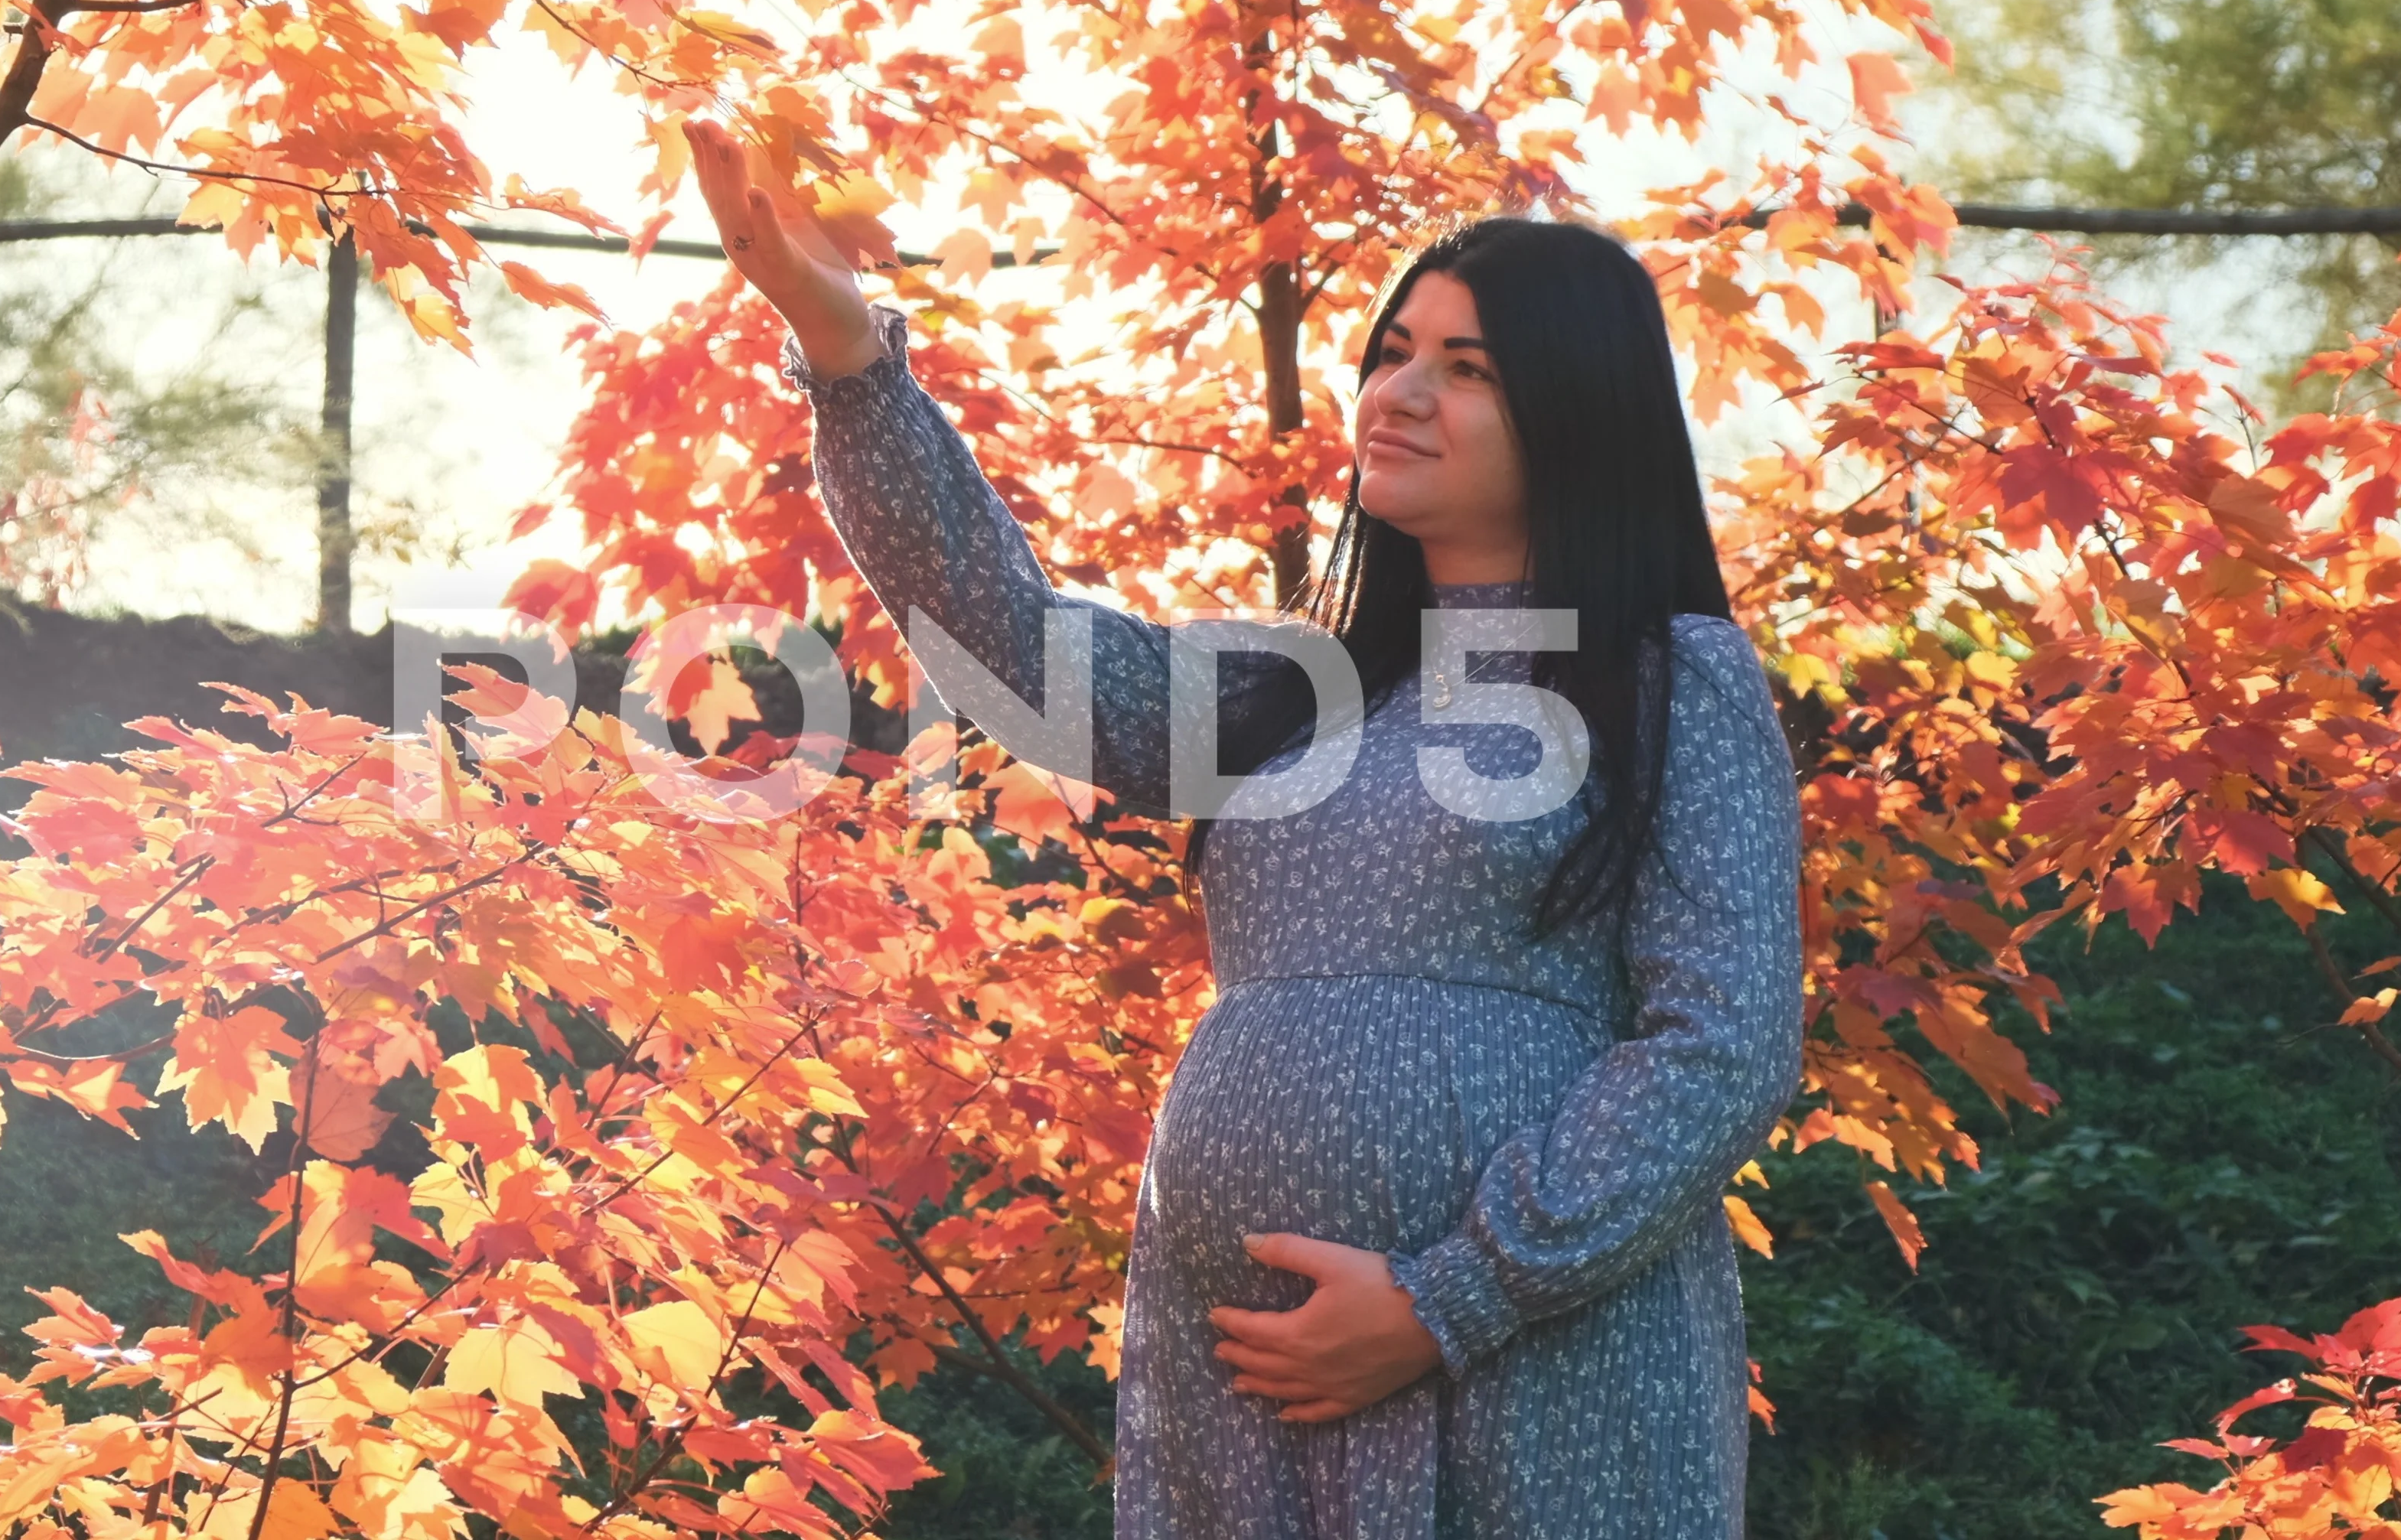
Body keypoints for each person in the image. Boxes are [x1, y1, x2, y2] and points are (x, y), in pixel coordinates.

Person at [684, 119, 1806, 1538]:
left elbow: (1725, 1042)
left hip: (1537, 1366)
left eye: (1466, 369)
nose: (1398, 391)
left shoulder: (1671, 674)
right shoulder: (1295, 691)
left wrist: (1448, 1297)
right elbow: (1009, 637)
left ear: (1581, 411)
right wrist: (849, 360)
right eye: (1394, 352)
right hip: (1246, 1388)